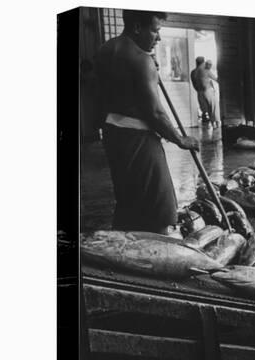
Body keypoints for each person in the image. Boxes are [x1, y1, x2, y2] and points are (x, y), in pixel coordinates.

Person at [95, 10, 200, 235]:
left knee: (128, 197)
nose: (159, 38)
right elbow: (155, 113)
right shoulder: (142, 60)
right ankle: (156, 252)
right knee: (159, 206)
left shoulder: (105, 50)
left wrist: (149, 70)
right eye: (155, 30)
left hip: (113, 134)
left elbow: (107, 93)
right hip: (139, 137)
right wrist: (180, 139)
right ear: (136, 27)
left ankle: (126, 245)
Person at [190, 56, 209, 123]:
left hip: (200, 91)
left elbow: (194, 83)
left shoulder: (193, 72)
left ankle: (205, 117)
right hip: (205, 90)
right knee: (206, 105)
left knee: (202, 105)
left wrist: (198, 89)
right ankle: (206, 117)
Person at [204, 59, 221, 128]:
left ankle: (213, 122)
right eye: (209, 65)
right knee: (214, 107)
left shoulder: (203, 71)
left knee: (210, 107)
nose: (210, 66)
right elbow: (216, 79)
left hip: (206, 91)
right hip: (209, 91)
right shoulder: (207, 72)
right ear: (207, 65)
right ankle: (216, 123)